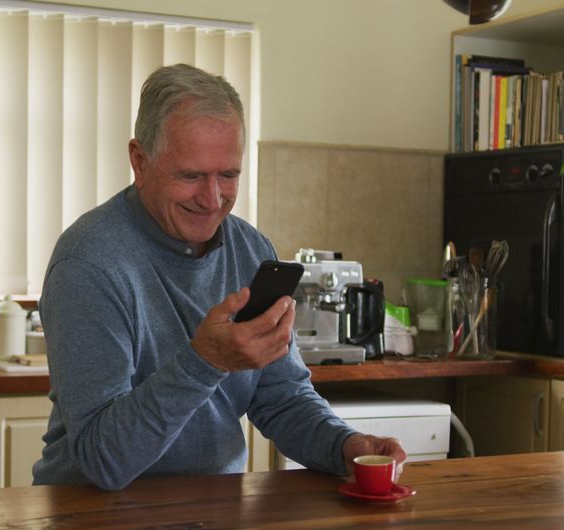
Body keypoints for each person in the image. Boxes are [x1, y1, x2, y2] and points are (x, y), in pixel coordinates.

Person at [32, 64, 406, 490]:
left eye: (228, 175)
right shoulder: (89, 264)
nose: (213, 200)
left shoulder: (251, 250)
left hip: (214, 513)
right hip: (90, 518)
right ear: (139, 160)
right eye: (190, 176)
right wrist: (206, 360)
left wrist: (346, 446)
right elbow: (103, 460)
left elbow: (281, 398)